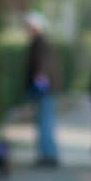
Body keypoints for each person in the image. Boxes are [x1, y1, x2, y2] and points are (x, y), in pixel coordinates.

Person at [24, 13, 60, 167]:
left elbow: (43, 69)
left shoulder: (40, 43)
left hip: (45, 91)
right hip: (47, 90)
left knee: (45, 123)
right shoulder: (43, 42)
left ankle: (48, 156)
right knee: (46, 122)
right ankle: (48, 154)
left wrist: (39, 88)